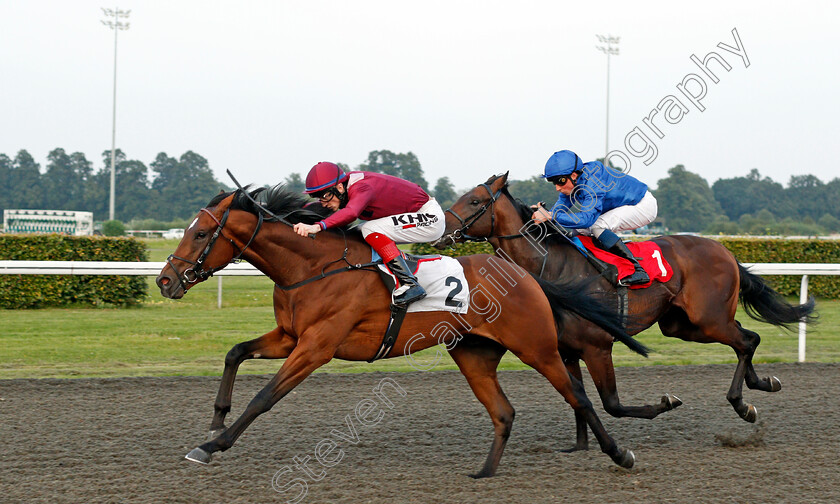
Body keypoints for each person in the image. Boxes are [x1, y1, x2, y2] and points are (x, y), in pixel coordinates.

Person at [293, 161, 445, 305]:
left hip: (429, 218)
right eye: (319, 197)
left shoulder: (362, 188)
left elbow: (351, 213)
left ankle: (410, 284)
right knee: (354, 234)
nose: (324, 203)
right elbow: (319, 207)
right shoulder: (346, 187)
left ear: (339, 187)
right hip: (414, 216)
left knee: (368, 229)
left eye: (326, 196)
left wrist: (318, 227)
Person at [531, 150, 658, 286]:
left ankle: (638, 270)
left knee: (597, 226)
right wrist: (545, 214)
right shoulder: (573, 181)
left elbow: (587, 220)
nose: (557, 188)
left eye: (560, 182)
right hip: (623, 206)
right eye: (553, 182)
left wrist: (551, 215)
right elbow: (559, 209)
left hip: (642, 205)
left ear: (573, 175)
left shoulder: (594, 183)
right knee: (577, 231)